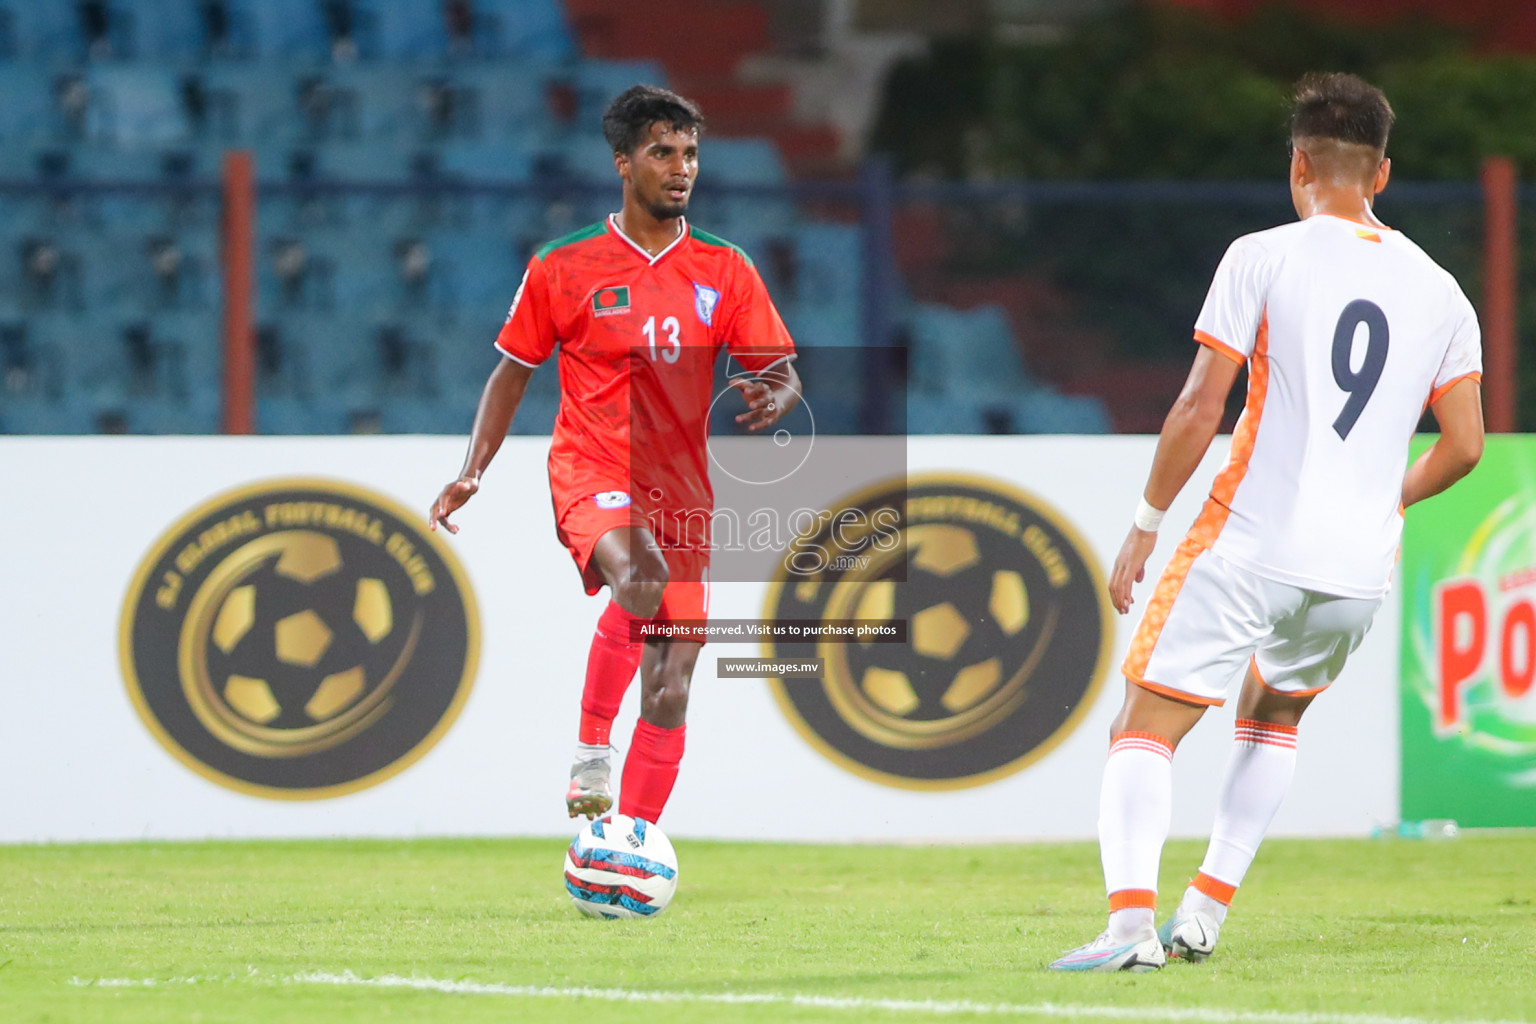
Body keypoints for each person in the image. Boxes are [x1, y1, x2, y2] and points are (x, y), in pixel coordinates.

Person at [1050, 72, 1484, 972]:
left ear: (1298, 166)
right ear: (1384, 175)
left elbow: (1199, 406)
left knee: (1145, 725)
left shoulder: (1263, 254)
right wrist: (1383, 497)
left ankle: (1132, 928)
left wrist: (1143, 522)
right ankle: (1205, 910)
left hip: (1252, 537)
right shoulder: (1441, 289)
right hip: (1356, 566)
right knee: (1273, 715)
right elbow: (1467, 445)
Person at [429, 85, 802, 825]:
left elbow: (778, 367)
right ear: (623, 165)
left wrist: (779, 391)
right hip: (592, 468)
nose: (681, 167)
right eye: (663, 152)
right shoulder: (564, 266)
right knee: (640, 576)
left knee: (671, 683)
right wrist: (474, 469)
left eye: (690, 152)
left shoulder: (726, 269)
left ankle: (625, 846)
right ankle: (592, 747)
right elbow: (512, 371)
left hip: (685, 494)